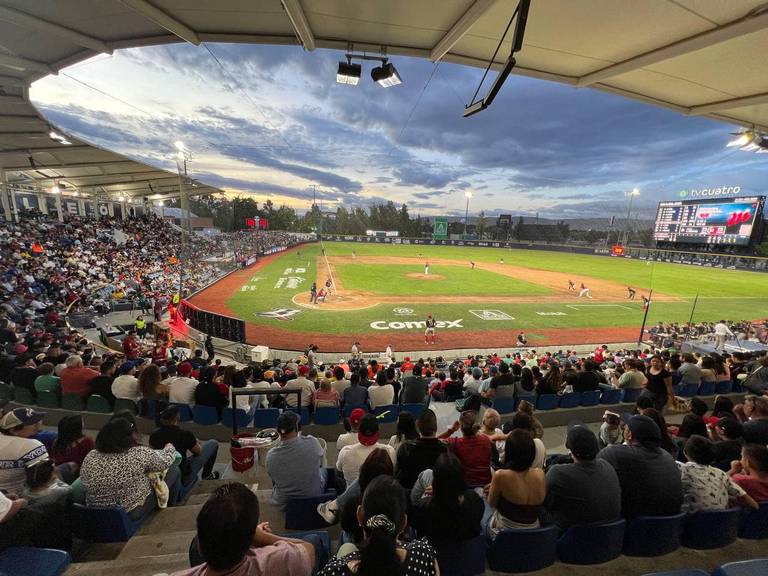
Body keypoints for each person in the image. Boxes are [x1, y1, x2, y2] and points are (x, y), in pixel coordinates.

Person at [171, 483, 317, 576]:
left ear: (201, 548)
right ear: (250, 546)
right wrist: (261, 537)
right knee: (314, 539)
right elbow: (308, 549)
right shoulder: (281, 560)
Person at [318, 476, 438, 576]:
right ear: (404, 523)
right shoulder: (425, 557)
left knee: (346, 547)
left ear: (359, 515)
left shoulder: (334, 571)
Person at [80, 417, 180, 521]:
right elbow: (164, 462)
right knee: (174, 471)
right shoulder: (138, 454)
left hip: (94, 514)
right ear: (127, 438)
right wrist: (170, 448)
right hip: (129, 513)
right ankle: (168, 516)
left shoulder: (90, 456)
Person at [597, 414, 682, 519]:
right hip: (670, 527)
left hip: (633, 527)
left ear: (629, 435)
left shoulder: (614, 453)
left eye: (626, 428)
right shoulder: (668, 457)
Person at [544, 425, 621, 530]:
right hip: (610, 537)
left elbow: (544, 500)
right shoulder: (607, 466)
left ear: (571, 450)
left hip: (570, 538)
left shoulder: (558, 473)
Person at [484, 429, 546, 539]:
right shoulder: (540, 474)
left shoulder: (500, 475)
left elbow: (492, 503)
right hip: (535, 531)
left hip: (504, 533)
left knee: (480, 498)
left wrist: (492, 490)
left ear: (509, 451)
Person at [409, 453, 484, 541]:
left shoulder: (426, 508)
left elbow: (415, 519)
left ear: (435, 482)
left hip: (436, 550)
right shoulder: (474, 500)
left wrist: (437, 494)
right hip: (467, 549)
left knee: (426, 474)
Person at [677, 435, 757, 513]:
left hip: (691, 523)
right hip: (723, 523)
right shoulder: (721, 474)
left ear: (685, 452)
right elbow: (753, 504)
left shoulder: (681, 468)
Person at [266, 411, 326, 508]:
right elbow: (321, 459)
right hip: (314, 496)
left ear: (277, 430)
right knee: (324, 470)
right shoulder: (312, 442)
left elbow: (273, 477)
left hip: (286, 503)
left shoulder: (271, 456)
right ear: (296, 428)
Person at [150, 406, 220, 488]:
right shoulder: (185, 434)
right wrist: (196, 442)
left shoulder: (154, 435)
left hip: (163, 476)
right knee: (213, 443)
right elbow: (198, 452)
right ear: (178, 417)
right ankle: (207, 476)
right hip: (183, 476)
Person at [0, 408, 50, 496]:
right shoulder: (31, 446)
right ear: (14, 430)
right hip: (14, 499)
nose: (38, 424)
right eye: (32, 423)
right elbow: (42, 479)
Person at [395, 409, 447, 490]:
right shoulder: (445, 450)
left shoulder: (405, 449)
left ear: (417, 425)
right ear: (436, 427)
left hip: (409, 493)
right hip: (436, 494)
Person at [336, 414, 396, 484]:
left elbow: (339, 472)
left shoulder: (345, 452)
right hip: (382, 494)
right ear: (377, 432)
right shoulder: (390, 451)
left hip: (354, 494)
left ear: (359, 431)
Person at [438, 411, 492, 487]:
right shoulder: (486, 439)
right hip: (487, 484)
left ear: (461, 427)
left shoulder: (455, 443)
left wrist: (451, 430)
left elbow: (433, 441)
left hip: (466, 485)